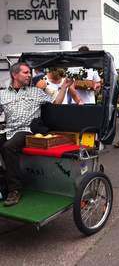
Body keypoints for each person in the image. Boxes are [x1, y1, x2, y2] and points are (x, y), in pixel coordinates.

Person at [0, 62, 73, 206]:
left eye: (29, 72)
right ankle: (2, 180)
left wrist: (64, 87)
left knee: (8, 147)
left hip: (27, 130)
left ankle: (14, 189)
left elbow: (56, 102)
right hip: (7, 129)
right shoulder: (2, 94)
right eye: (25, 72)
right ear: (15, 74)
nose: (29, 75)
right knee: (6, 143)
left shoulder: (36, 92)